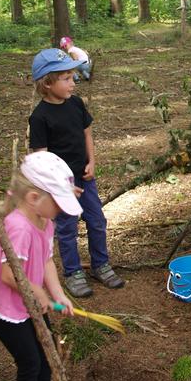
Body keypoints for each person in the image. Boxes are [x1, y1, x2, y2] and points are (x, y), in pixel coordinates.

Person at [0, 151, 78, 381]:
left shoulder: (45, 221)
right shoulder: (18, 227)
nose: (60, 210)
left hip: (30, 304)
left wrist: (57, 294)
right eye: (58, 203)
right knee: (29, 361)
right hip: (6, 311)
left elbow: (46, 260)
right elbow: (9, 274)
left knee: (46, 348)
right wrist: (40, 294)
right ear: (33, 198)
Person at [29, 48, 125, 298]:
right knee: (67, 228)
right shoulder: (39, 117)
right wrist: (60, 186)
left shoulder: (76, 104)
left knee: (96, 220)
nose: (74, 82)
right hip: (62, 186)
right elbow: (41, 158)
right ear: (48, 83)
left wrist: (92, 161)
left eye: (73, 76)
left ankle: (100, 264)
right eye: (67, 78)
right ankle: (73, 272)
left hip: (85, 177)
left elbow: (87, 133)